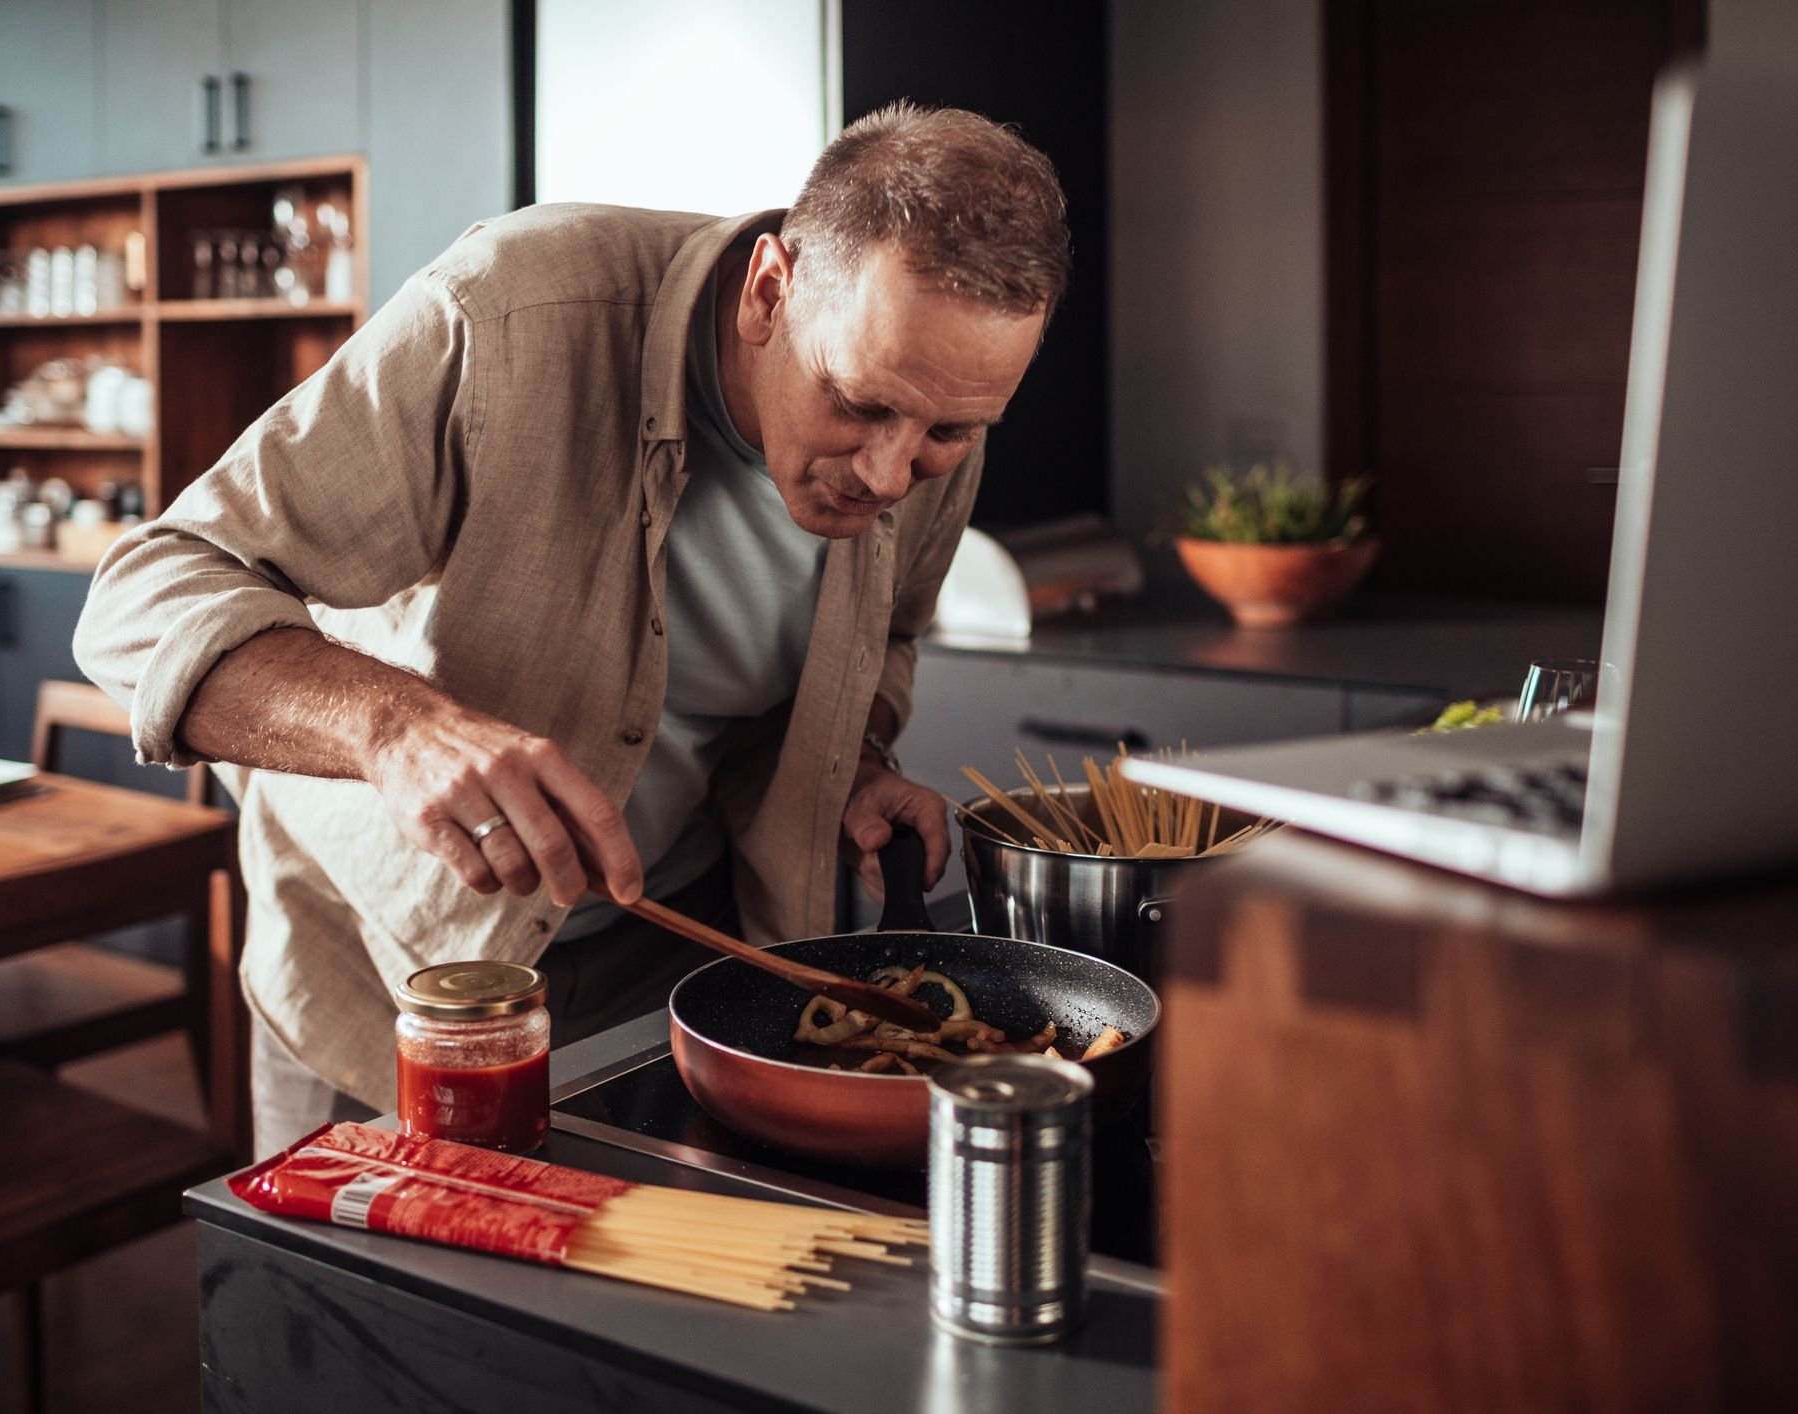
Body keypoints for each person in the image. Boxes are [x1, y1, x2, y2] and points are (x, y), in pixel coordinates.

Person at [74, 102, 1071, 1155]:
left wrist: (854, 758)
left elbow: (871, 649)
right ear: (772, 292)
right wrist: (395, 728)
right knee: (367, 1316)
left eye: (949, 431)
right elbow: (143, 596)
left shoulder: (935, 404)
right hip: (395, 985)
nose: (889, 470)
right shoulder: (509, 313)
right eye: (858, 403)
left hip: (673, 972)